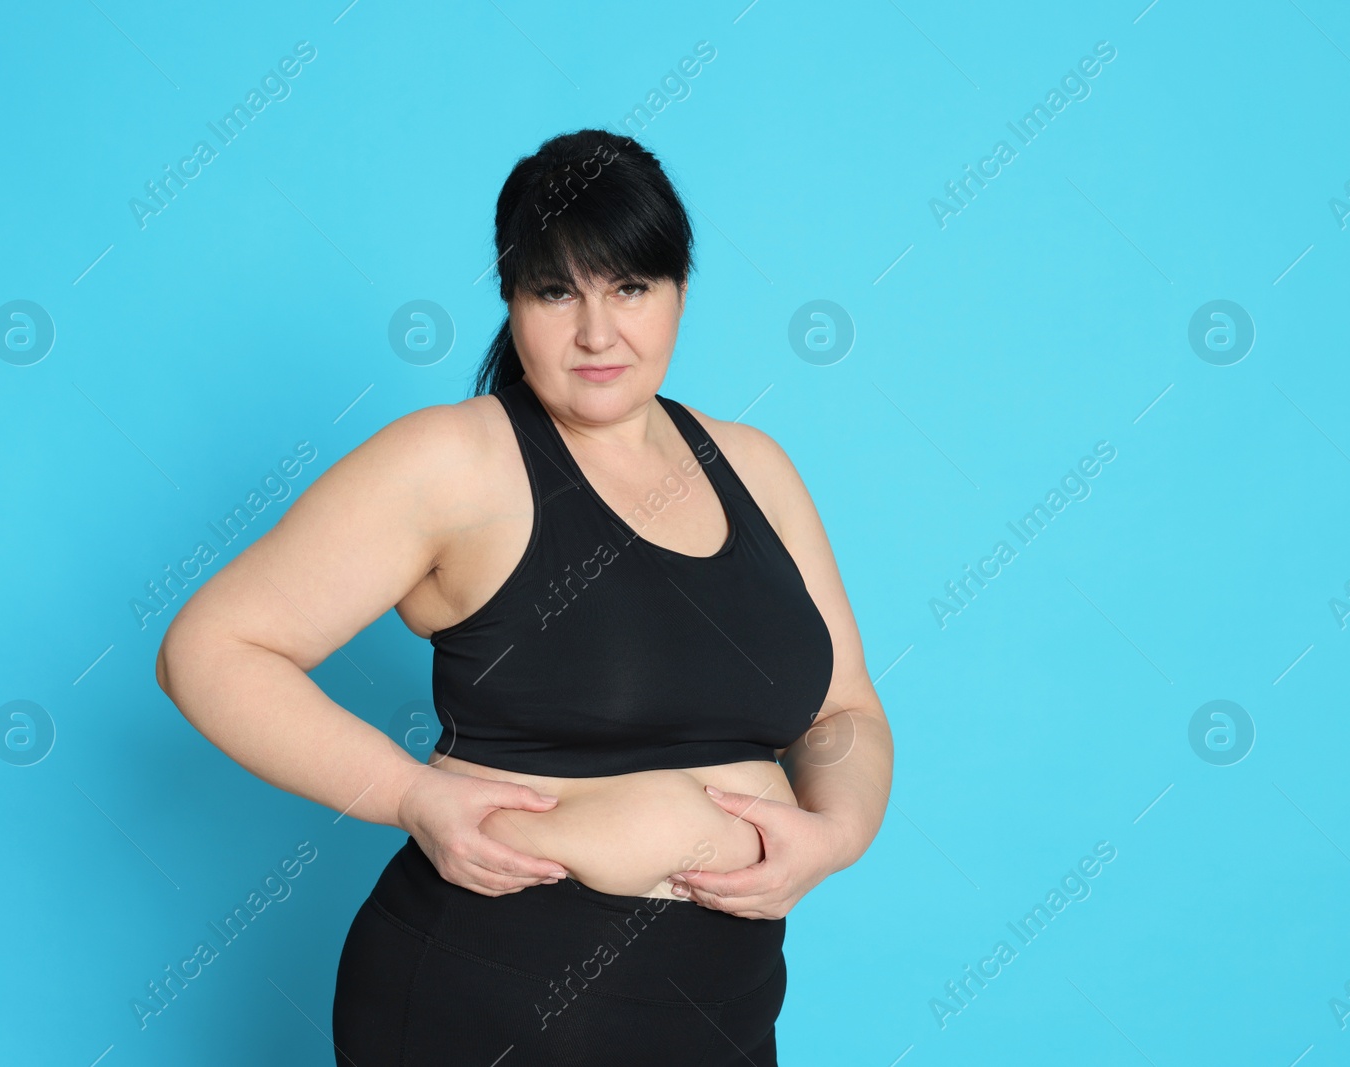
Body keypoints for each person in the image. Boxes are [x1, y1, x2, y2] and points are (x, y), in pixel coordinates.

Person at [154, 128, 893, 1065]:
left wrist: (837, 833)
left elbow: (842, 707)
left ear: (680, 293)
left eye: (630, 287)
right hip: (492, 1003)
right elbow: (209, 650)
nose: (597, 331)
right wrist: (408, 795)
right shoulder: (453, 461)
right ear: (510, 300)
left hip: (721, 1007)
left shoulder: (755, 467)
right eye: (557, 291)